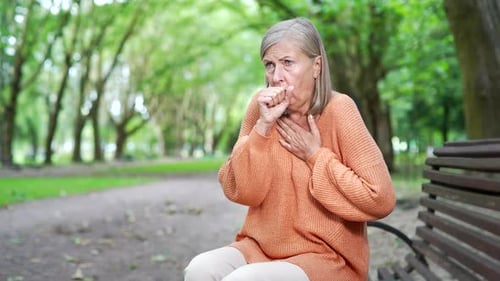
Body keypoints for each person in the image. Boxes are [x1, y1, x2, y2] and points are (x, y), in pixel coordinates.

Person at [184, 17, 396, 281]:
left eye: (287, 63)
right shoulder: (259, 108)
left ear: (316, 66)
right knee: (200, 269)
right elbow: (241, 190)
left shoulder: (340, 109)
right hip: (260, 247)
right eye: (269, 65)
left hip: (325, 258)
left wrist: (315, 156)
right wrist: (262, 127)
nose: (276, 77)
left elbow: (380, 198)